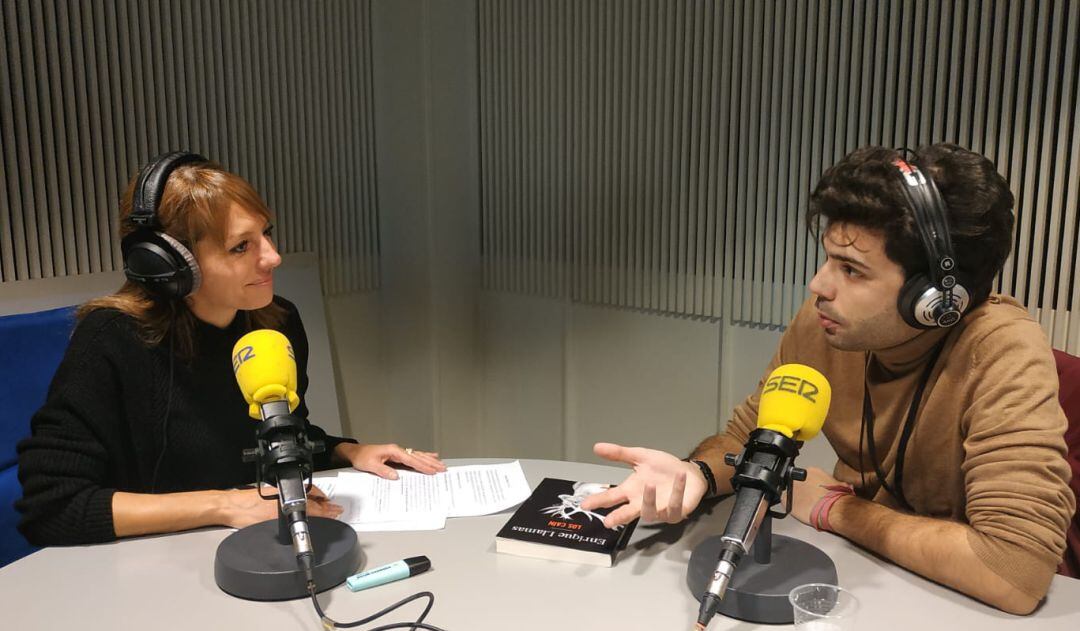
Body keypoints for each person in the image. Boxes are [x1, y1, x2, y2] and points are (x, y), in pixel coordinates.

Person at [581, 144, 1075, 615]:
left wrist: (836, 511)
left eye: (852, 270)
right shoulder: (827, 325)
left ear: (933, 301)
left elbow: (1014, 572)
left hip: (957, 605)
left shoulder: (1003, 353)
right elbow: (747, 438)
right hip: (865, 576)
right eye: (828, 259)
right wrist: (699, 473)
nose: (819, 285)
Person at [16, 153, 445, 546]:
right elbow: (53, 507)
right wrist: (228, 505)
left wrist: (349, 451)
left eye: (266, 235)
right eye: (242, 246)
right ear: (168, 265)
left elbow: (275, 436)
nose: (273, 257)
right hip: (147, 568)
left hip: (249, 545)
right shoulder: (111, 339)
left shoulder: (274, 322)